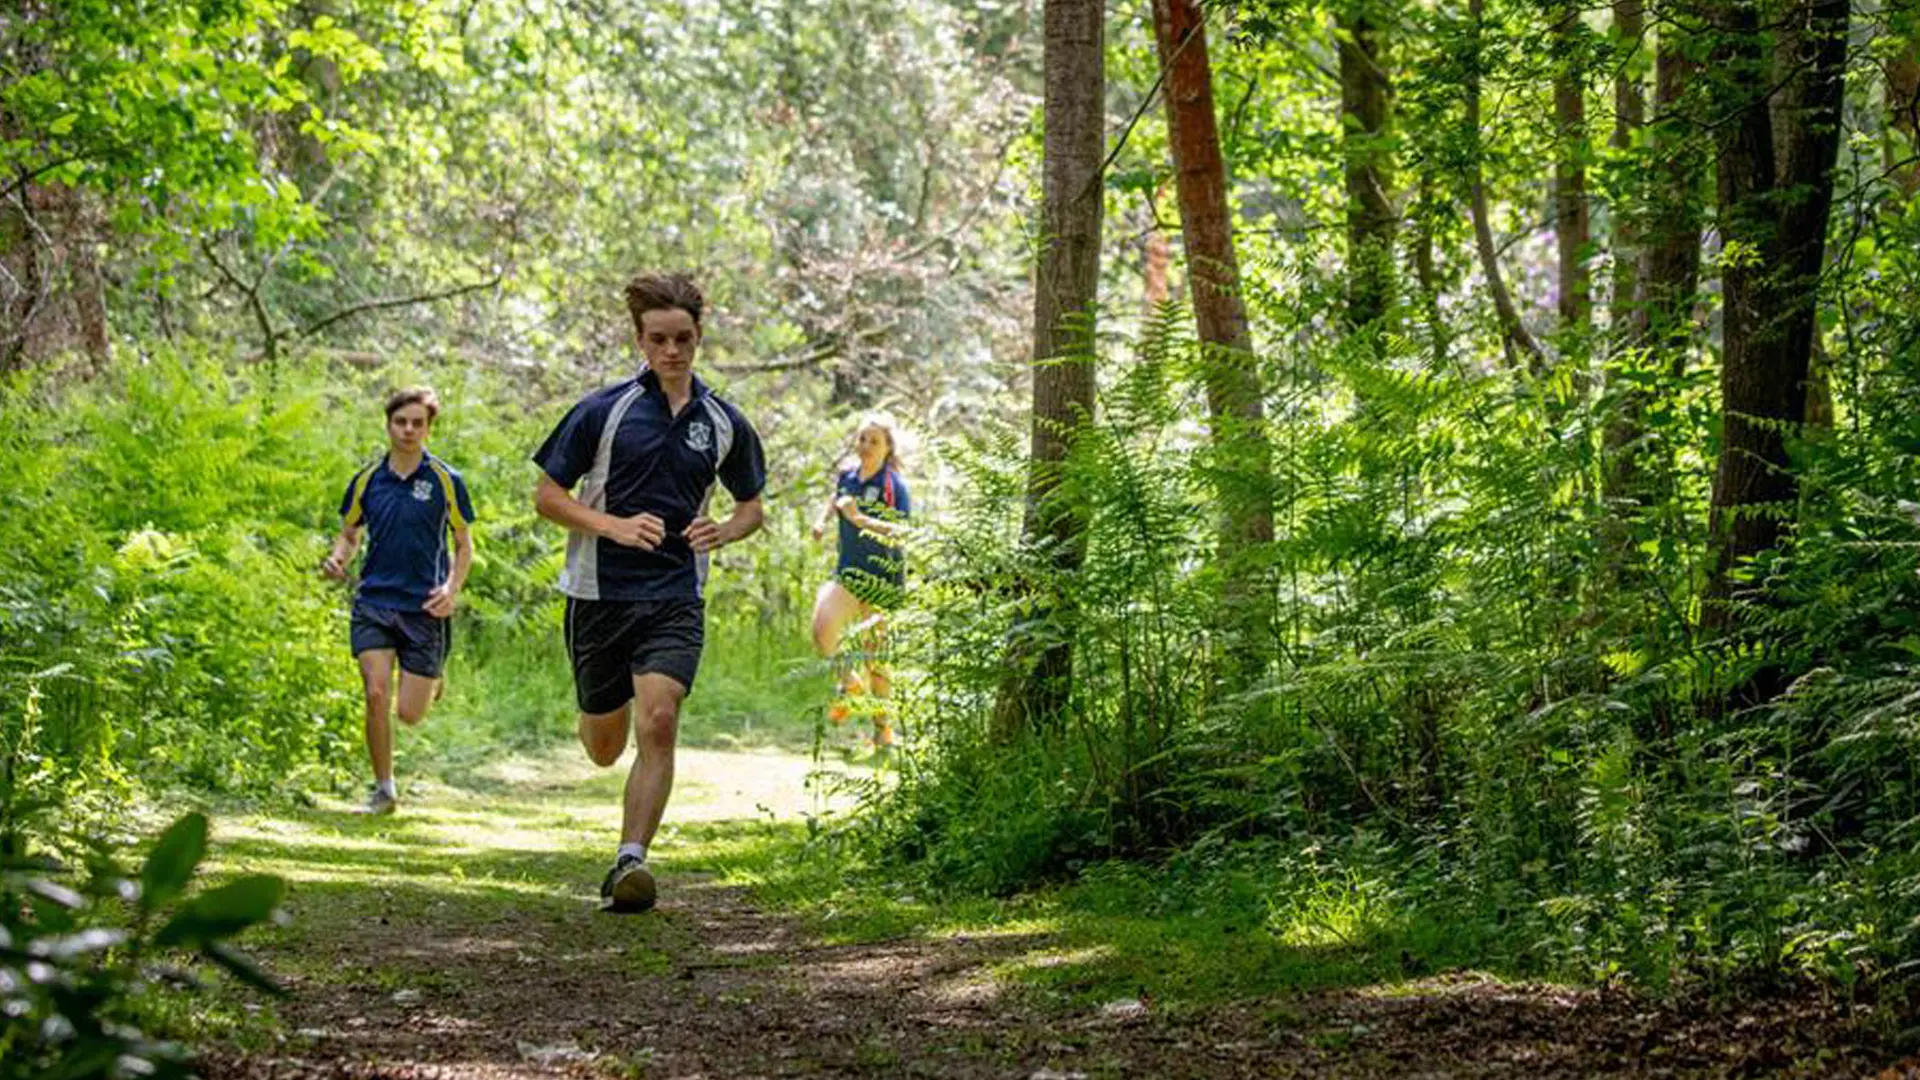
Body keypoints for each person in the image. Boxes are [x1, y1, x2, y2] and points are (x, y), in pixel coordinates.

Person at [532, 272, 767, 914]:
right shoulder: (601, 412)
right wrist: (610, 525)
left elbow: (752, 506)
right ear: (639, 340)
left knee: (659, 721)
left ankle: (630, 861)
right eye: (659, 339)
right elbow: (547, 496)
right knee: (605, 745)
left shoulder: (722, 421)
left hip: (674, 595)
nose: (672, 351)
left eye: (684, 338)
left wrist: (723, 530)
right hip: (598, 594)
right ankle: (591, 713)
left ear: (699, 338)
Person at [322, 387, 476, 816]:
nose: (408, 430)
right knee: (375, 693)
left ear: (428, 428)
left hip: (425, 607)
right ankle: (384, 788)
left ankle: (432, 673)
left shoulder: (445, 480)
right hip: (374, 602)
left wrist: (451, 589)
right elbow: (350, 534)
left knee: (409, 713)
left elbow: (464, 546)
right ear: (388, 424)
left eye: (417, 423)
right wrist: (337, 558)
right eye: (401, 422)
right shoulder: (367, 480)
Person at [810, 416, 912, 748]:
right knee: (823, 629)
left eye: (874, 441)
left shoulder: (892, 485)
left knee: (876, 656)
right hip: (850, 573)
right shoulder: (848, 477)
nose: (866, 446)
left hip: (882, 578)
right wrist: (822, 521)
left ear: (887, 448)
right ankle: (851, 684)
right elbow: (836, 497)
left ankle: (883, 733)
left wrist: (859, 519)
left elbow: (902, 532)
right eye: (862, 439)